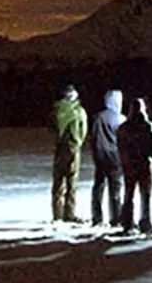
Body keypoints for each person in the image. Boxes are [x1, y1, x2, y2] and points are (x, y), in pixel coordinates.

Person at [117, 97, 152, 235]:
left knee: (129, 194)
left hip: (130, 165)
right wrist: (151, 159)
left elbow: (120, 145)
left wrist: (125, 159)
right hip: (144, 165)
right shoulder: (147, 126)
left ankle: (127, 223)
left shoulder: (124, 127)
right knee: (145, 195)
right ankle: (145, 223)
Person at [88, 89, 125, 227]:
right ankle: (115, 217)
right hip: (115, 158)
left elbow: (93, 137)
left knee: (98, 187)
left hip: (100, 157)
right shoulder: (121, 119)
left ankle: (97, 217)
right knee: (115, 189)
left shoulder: (98, 117)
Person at [51, 84, 88, 223]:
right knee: (72, 182)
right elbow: (82, 131)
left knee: (58, 182)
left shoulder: (56, 110)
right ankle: (69, 214)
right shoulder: (78, 111)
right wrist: (76, 143)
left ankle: (57, 214)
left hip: (59, 149)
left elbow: (52, 128)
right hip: (72, 149)